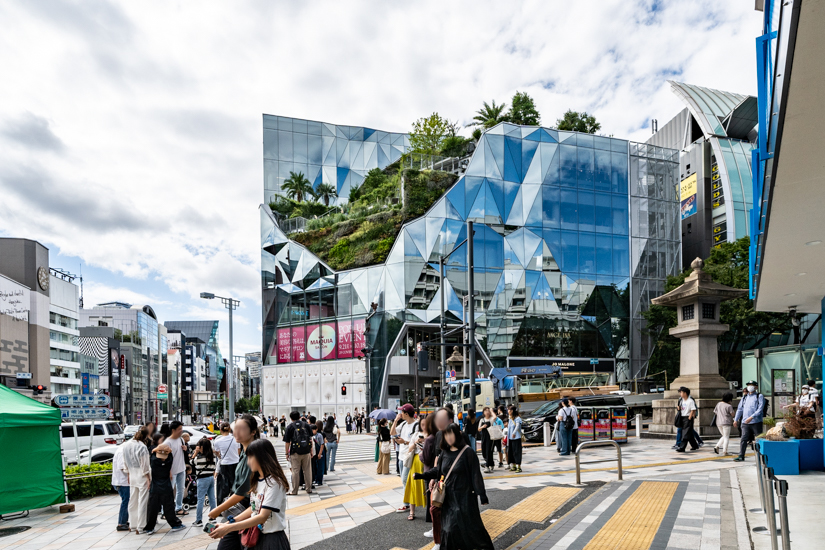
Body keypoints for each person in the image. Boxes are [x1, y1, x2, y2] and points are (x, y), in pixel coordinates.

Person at [414, 423, 493, 550]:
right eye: (446, 435)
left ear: (457, 435)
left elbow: (476, 475)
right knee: (449, 529)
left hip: (465, 497)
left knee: (471, 528)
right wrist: (421, 476)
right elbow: (438, 471)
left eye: (451, 434)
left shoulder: (468, 453)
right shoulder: (444, 453)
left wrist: (482, 495)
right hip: (449, 498)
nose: (449, 437)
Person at [208, 439, 291, 550]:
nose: (248, 462)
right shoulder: (257, 480)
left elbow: (262, 517)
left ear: (261, 457)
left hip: (272, 540)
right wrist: (229, 523)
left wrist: (229, 528)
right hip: (256, 537)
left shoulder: (274, 482)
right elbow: (253, 508)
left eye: (250, 457)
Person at [208, 414, 260, 550]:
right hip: (240, 510)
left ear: (253, 432)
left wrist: (218, 509)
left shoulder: (252, 455)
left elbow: (242, 492)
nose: (236, 432)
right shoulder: (243, 453)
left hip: (248, 509)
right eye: (235, 428)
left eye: (242, 429)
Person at [142, 443, 185, 534]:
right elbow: (170, 454)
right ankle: (175, 524)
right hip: (166, 487)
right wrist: (167, 450)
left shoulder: (153, 461)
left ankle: (149, 527)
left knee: (152, 508)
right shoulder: (169, 460)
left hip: (155, 487)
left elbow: (152, 453)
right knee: (168, 507)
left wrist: (156, 450)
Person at [391, 404, 419, 516]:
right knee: (404, 480)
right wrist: (395, 421)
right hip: (401, 456)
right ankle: (407, 501)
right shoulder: (403, 424)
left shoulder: (416, 425)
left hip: (409, 456)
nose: (400, 414)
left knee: (405, 479)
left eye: (401, 412)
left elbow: (418, 442)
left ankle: (406, 503)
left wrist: (405, 442)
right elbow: (392, 433)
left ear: (406, 413)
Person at [122, 427, 151, 534]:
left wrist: (128, 473)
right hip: (141, 475)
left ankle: (132, 524)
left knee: (133, 500)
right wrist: (148, 478)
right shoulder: (142, 447)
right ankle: (141, 526)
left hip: (132, 474)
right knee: (142, 501)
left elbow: (124, 461)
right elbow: (145, 465)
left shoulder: (126, 445)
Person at [283, 411, 313, 495]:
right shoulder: (306, 425)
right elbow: (310, 439)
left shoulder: (290, 427)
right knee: (307, 470)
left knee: (295, 471)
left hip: (295, 452)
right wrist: (311, 451)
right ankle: (309, 489)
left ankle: (294, 490)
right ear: (300, 416)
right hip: (306, 451)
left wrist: (286, 453)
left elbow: (287, 442)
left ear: (291, 418)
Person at [403, 417, 427, 521]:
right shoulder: (416, 434)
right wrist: (416, 442)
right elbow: (409, 448)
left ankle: (430, 511)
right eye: (422, 424)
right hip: (416, 461)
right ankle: (412, 512)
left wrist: (426, 442)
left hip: (426, 462)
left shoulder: (432, 436)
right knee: (413, 485)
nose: (424, 426)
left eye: (426, 424)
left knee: (427, 486)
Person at [734, 381, 765, 462]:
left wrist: (752, 417)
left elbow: (760, 409)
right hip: (745, 422)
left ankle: (761, 455)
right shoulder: (744, 397)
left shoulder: (759, 396)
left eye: (752, 385)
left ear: (756, 387)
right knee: (743, 439)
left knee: (758, 438)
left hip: (756, 422)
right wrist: (736, 419)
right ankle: (741, 455)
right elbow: (740, 409)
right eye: (748, 385)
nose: (750, 387)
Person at [192, 438, 217, 526]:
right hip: (211, 478)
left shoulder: (199, 457)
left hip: (202, 479)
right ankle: (213, 517)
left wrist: (195, 452)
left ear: (202, 447)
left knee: (200, 499)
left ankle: (198, 520)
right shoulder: (213, 456)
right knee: (212, 498)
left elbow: (192, 462)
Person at [164, 421, 188, 515]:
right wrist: (169, 471)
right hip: (172, 470)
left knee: (181, 489)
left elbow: (184, 453)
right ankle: (165, 511)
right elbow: (165, 459)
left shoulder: (181, 439)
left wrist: (185, 449)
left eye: (181, 429)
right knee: (169, 491)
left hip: (181, 468)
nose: (181, 431)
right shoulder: (167, 442)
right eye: (179, 429)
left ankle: (178, 507)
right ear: (173, 430)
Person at [214, 422, 240, 504]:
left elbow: (216, 452)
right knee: (235, 484)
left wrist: (220, 456)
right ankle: (236, 503)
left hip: (224, 464)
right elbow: (238, 451)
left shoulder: (218, 441)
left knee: (223, 486)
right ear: (230, 430)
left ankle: (222, 504)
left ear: (220, 430)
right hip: (236, 463)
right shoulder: (236, 439)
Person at [111, 439, 130, 531]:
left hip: (121, 481)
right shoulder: (122, 451)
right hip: (122, 482)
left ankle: (124, 521)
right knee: (125, 501)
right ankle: (121, 523)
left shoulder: (121, 450)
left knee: (126, 501)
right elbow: (122, 467)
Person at [478, 407, 504, 473]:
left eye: (488, 411)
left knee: (488, 451)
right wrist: (482, 427)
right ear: (483, 412)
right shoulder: (482, 420)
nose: (487, 412)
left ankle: (487, 466)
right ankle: (491, 463)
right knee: (484, 451)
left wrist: (492, 411)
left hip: (490, 438)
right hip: (484, 437)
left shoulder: (491, 419)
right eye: (485, 411)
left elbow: (495, 417)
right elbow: (478, 429)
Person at [675, 387, 700, 453]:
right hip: (682, 417)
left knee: (685, 433)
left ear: (685, 393)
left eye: (681, 392)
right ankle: (695, 445)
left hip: (688, 417)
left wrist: (690, 417)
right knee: (689, 432)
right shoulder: (681, 400)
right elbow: (680, 408)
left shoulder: (690, 400)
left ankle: (682, 447)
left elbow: (693, 409)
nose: (680, 394)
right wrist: (678, 408)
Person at [311, 422, 325, 487]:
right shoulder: (311, 436)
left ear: (316, 429)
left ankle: (319, 480)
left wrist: (320, 453)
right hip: (314, 453)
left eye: (313, 430)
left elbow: (322, 444)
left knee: (320, 467)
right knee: (315, 467)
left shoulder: (319, 435)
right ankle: (315, 479)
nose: (312, 431)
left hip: (319, 452)